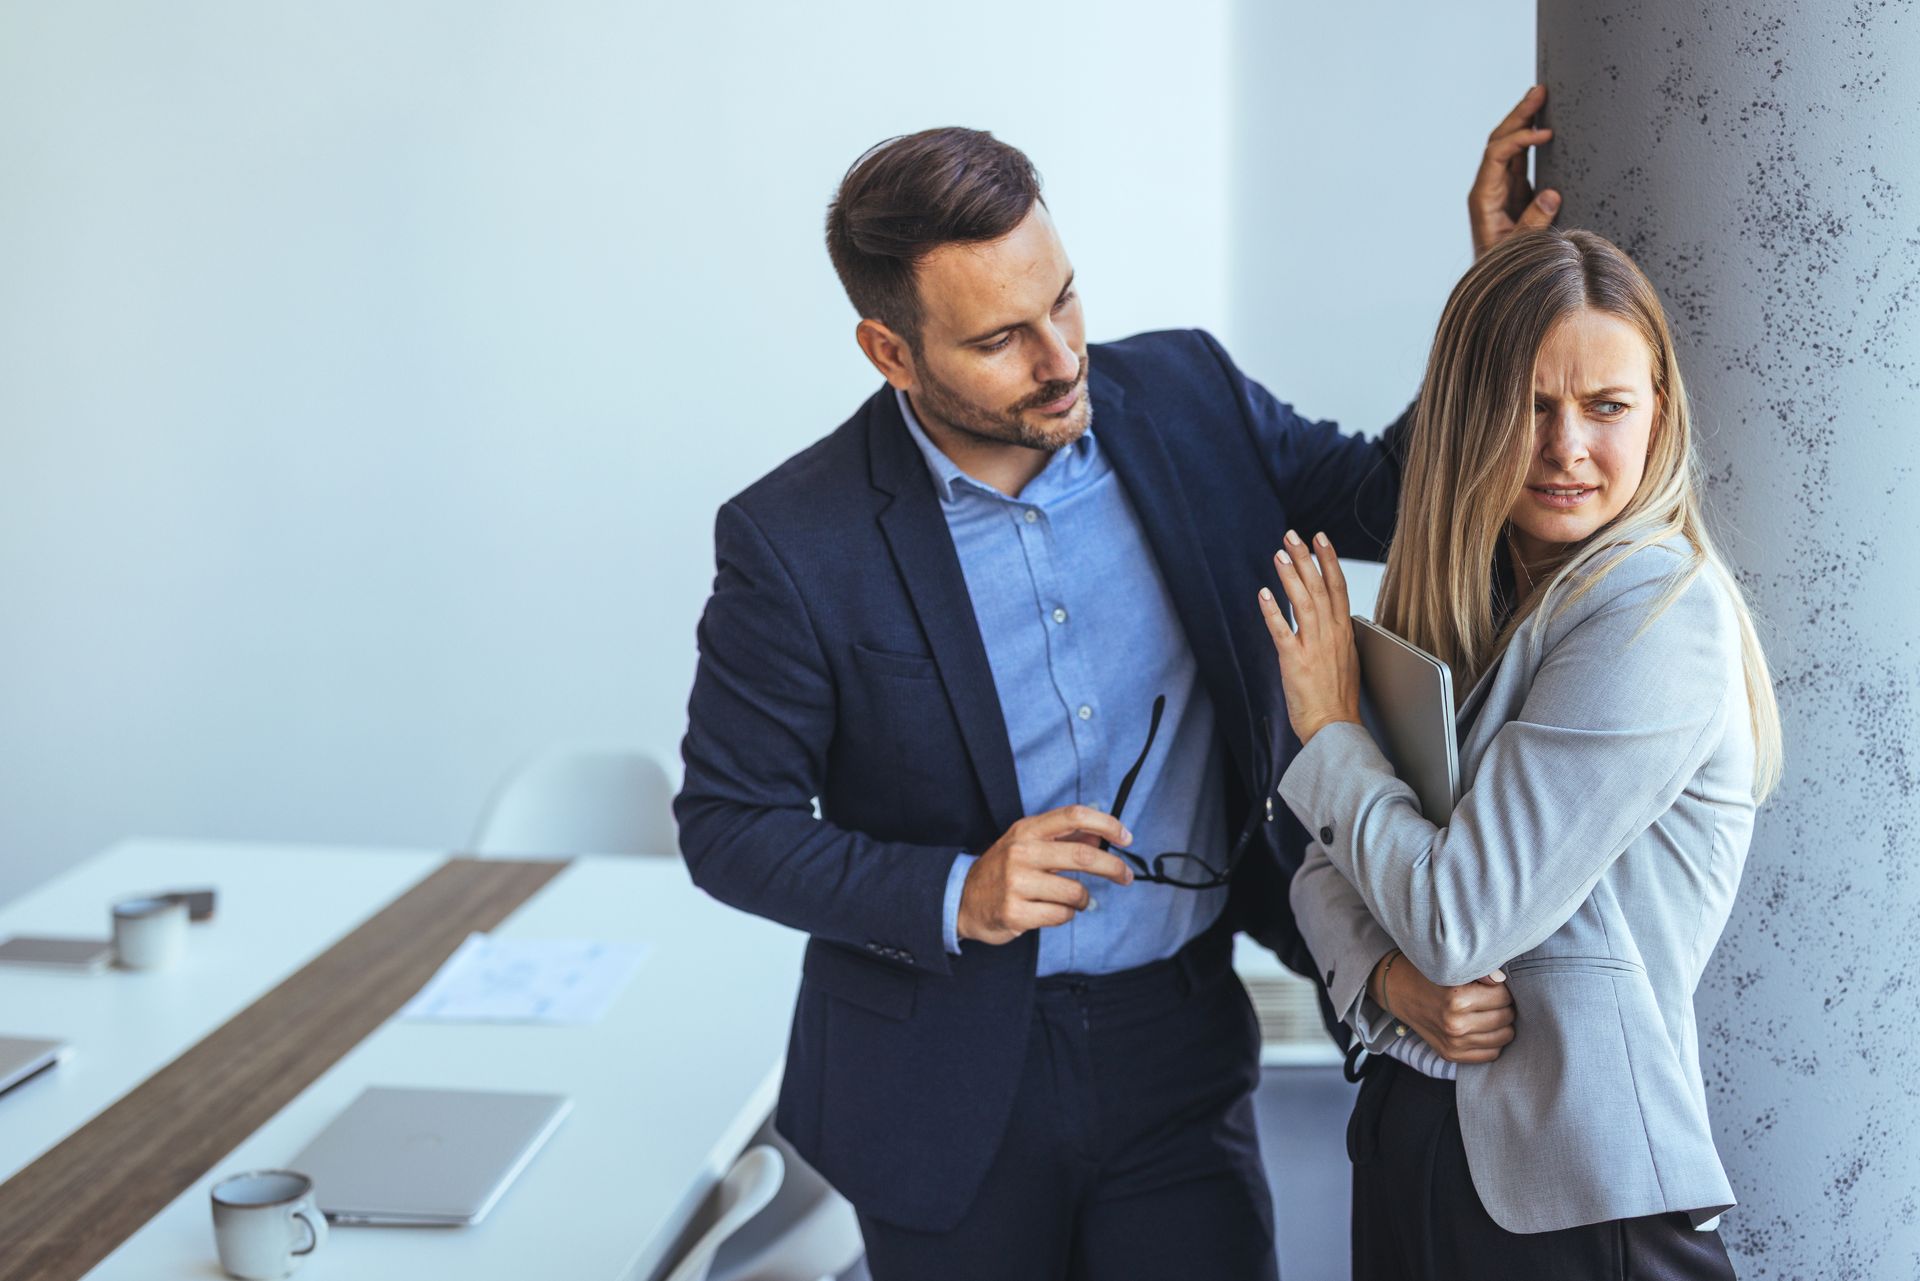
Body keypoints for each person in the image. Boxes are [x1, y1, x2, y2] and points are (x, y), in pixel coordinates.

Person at [676, 90, 1557, 1280]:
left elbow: (1384, 498)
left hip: (1176, 1041)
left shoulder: (1186, 394)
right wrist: (959, 891)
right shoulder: (794, 539)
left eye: (1065, 299)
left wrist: (1493, 309)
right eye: (999, 340)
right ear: (891, 350)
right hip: (937, 1076)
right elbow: (731, 827)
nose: (1060, 359)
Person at [1262, 226, 1783, 1280]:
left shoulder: (1656, 612)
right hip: (1414, 1149)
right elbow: (1326, 868)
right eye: (1531, 405)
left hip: (1573, 1204)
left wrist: (1330, 729)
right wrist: (1387, 984)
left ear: (1659, 415)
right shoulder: (1475, 599)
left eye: (1606, 407)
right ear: (1469, 418)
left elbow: (1458, 916)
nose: (1567, 447)